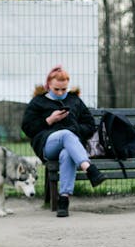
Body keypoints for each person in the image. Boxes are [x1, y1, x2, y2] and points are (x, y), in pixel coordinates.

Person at [21, 65, 106, 217]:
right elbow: (27, 128)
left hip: (72, 146)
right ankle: (90, 169)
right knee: (66, 134)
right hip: (47, 145)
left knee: (67, 153)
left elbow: (89, 125)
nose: (60, 93)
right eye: (56, 89)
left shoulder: (75, 101)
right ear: (48, 85)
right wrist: (49, 120)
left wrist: (75, 129)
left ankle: (63, 200)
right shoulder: (38, 102)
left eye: (64, 89)